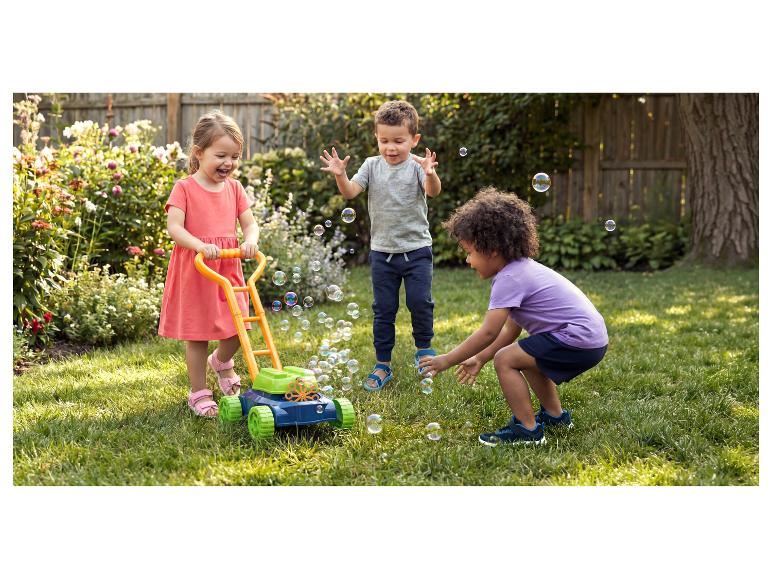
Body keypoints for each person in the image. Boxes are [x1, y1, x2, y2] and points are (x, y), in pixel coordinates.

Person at [419, 187, 608, 445]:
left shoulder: (509, 278)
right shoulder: (521, 270)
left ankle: (528, 431)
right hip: (592, 339)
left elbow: (489, 332)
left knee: (506, 359)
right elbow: (511, 331)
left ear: (492, 249)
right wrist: (480, 358)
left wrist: (448, 360)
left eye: (470, 251)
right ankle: (555, 416)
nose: (467, 260)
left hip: (578, 338)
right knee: (524, 356)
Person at [320, 100, 442, 391]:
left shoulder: (416, 166)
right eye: (383, 140)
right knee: (383, 309)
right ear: (376, 138)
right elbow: (350, 192)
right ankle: (383, 365)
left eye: (398, 141)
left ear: (414, 140)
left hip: (417, 250)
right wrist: (340, 175)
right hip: (382, 253)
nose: (390, 147)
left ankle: (424, 352)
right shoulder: (372, 166)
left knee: (420, 303)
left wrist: (430, 173)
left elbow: (433, 192)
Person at [158, 111, 259, 417]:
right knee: (198, 333)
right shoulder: (185, 187)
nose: (228, 163)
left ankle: (222, 362)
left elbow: (250, 224)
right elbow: (174, 227)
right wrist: (199, 245)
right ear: (199, 153)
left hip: (228, 267)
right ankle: (199, 392)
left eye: (235, 156)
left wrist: (250, 240)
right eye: (221, 155)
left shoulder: (235, 189)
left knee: (238, 327)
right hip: (198, 266)